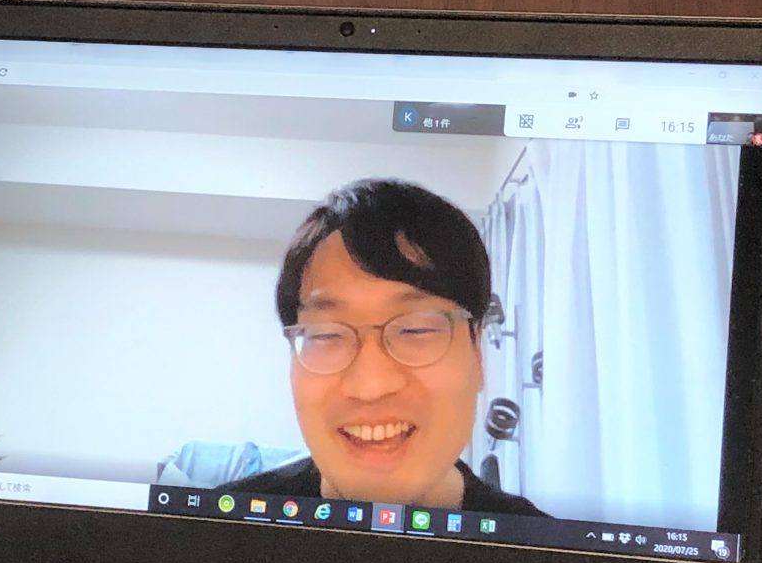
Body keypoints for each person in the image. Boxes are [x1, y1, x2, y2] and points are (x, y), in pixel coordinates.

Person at [224, 178, 546, 516]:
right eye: (327, 334)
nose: (371, 386)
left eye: (414, 329)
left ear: (476, 350)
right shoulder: (217, 527)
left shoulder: (543, 543)